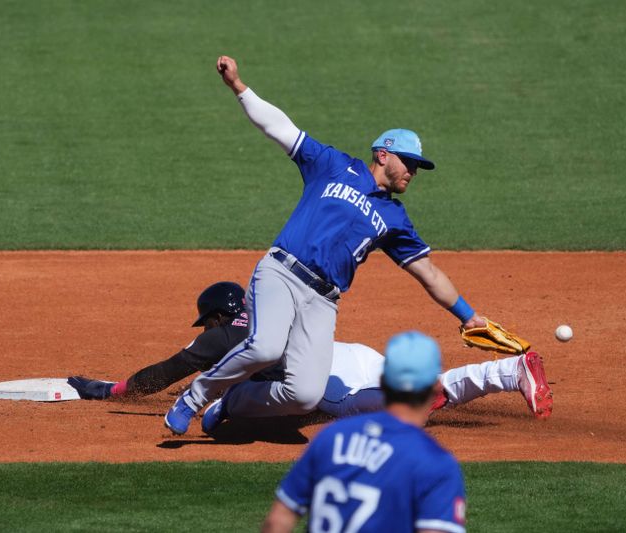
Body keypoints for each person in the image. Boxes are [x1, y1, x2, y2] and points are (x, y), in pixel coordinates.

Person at [163, 55, 502, 435]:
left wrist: (468, 315)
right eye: (408, 162)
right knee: (265, 348)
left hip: (323, 300)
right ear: (383, 154)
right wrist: (239, 88)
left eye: (417, 167)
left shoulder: (395, 219)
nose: (413, 171)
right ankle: (193, 398)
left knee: (304, 395)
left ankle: (232, 402)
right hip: (282, 271)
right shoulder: (334, 166)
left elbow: (429, 273)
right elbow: (280, 128)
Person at [68, 282, 553, 423]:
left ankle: (509, 371)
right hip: (348, 356)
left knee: (422, 398)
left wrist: (115, 389)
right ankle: (507, 374)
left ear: (217, 316)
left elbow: (170, 370)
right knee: (420, 395)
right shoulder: (269, 310)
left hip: (337, 385)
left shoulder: (223, 335)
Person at [262, 331, 467, 533]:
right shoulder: (434, 463)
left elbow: (277, 521)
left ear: (384, 380)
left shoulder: (332, 437)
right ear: (436, 386)